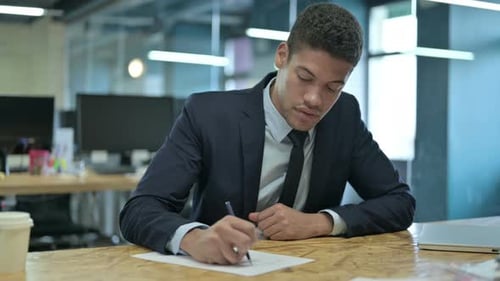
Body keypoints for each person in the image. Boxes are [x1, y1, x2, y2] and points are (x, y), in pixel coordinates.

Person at [119, 2, 415, 265]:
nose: (315, 99)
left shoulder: (344, 116)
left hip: (310, 271)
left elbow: (400, 202)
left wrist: (320, 222)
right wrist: (194, 239)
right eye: (305, 77)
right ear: (282, 56)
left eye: (332, 88)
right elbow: (139, 210)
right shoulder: (208, 115)